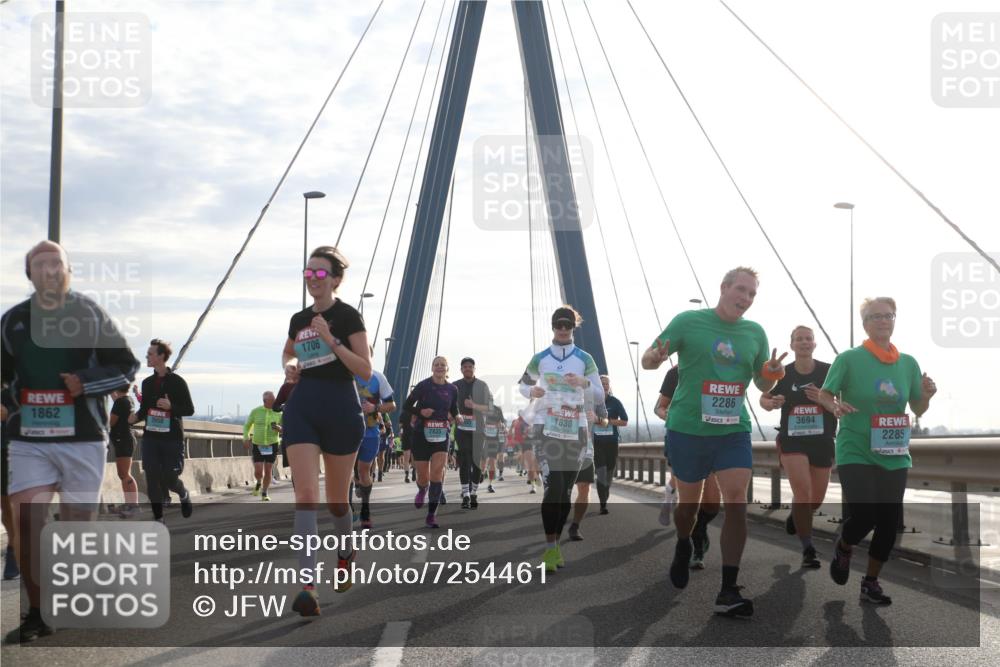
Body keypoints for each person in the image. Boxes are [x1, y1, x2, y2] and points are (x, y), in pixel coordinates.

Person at [2, 240, 140, 643]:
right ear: (29, 274)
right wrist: (9, 402)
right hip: (29, 439)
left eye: (57, 263)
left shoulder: (89, 314)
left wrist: (86, 383)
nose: (49, 270)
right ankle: (38, 612)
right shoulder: (12, 322)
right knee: (28, 523)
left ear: (68, 272)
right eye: (40, 264)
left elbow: (126, 366)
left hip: (83, 438)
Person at [642, 267, 784, 618]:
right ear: (723, 288)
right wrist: (654, 358)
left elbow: (762, 384)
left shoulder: (755, 332)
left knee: (736, 500)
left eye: (752, 294)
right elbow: (648, 360)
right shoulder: (688, 322)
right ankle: (683, 542)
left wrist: (771, 374)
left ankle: (728, 590)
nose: (746, 298)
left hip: (733, 430)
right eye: (741, 290)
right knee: (688, 509)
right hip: (688, 429)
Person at [815, 297, 936, 605]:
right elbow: (825, 394)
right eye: (876, 316)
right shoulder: (849, 359)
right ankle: (844, 545)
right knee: (865, 514)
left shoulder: (908, 363)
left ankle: (870, 582)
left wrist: (927, 396)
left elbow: (917, 407)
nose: (883, 320)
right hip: (856, 448)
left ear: (894, 320)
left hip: (893, 451)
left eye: (889, 316)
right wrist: (834, 405)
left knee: (888, 521)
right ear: (865, 323)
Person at [281, 245, 371, 616]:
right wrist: (289, 366)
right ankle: (308, 586)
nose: (312, 278)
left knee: (336, 502)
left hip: (341, 409)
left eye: (319, 273)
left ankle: (345, 552)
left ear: (335, 279)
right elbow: (288, 352)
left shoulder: (348, 316)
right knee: (305, 494)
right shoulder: (299, 318)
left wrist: (331, 340)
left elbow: (364, 369)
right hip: (303, 407)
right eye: (308, 272)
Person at [519, 305, 604, 573]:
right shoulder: (541, 358)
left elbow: (599, 395)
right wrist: (531, 391)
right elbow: (523, 384)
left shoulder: (585, 359)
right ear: (553, 326)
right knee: (553, 487)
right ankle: (549, 548)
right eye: (559, 324)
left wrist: (583, 382)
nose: (563, 329)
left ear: (573, 327)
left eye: (568, 325)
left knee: (566, 491)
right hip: (546, 426)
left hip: (576, 429)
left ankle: (555, 544)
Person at [760, 325, 837, 569]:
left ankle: (796, 514)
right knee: (803, 493)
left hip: (822, 441)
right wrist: (772, 403)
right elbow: (763, 397)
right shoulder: (784, 373)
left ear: (814, 344)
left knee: (815, 501)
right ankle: (808, 549)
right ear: (792, 345)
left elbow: (842, 400)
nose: (804, 342)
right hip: (792, 440)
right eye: (799, 339)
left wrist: (824, 398)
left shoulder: (829, 371)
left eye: (808, 339)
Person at [654, 365, 722, 569]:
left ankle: (699, 527)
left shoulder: (722, 368)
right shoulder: (676, 372)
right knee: (691, 500)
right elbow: (659, 407)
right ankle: (695, 544)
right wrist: (670, 416)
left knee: (712, 504)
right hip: (682, 439)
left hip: (713, 440)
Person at [131, 339, 196, 523]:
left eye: (150, 354)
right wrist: (131, 419)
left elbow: (189, 409)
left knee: (169, 478)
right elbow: (144, 410)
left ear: (161, 356)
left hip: (172, 438)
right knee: (152, 477)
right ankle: (158, 519)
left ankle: (183, 494)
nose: (147, 357)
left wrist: (171, 406)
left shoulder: (178, 382)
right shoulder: (147, 383)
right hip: (151, 437)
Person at [402, 357, 458, 528]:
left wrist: (458, 416)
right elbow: (407, 405)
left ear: (447, 369)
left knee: (437, 473)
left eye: (443, 365)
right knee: (423, 477)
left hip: (442, 434)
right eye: (436, 365)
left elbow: (453, 408)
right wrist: (421, 411)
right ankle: (422, 489)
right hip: (421, 434)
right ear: (432, 368)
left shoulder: (452, 389)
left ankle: (431, 515)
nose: (439, 367)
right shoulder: (423, 386)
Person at [354, 355, 396, 529]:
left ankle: (365, 509)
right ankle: (348, 509)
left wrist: (375, 408)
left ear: (370, 356)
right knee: (347, 471)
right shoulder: (344, 375)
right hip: (346, 431)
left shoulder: (378, 377)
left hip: (370, 432)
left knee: (364, 470)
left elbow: (392, 405)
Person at [567, 388, 609, 541]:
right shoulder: (558, 387)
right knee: (561, 490)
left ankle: (575, 525)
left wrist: (597, 419)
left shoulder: (595, 393)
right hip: (559, 446)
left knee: (584, 486)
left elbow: (605, 421)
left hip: (585, 446)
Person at [452, 358, 493, 509]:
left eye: (470, 366)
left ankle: (474, 492)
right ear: (461, 369)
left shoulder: (482, 385)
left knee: (476, 463)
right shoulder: (455, 386)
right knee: (465, 461)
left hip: (478, 429)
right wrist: (452, 415)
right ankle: (466, 495)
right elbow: (449, 405)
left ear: (474, 369)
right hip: (462, 429)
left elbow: (489, 408)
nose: (468, 369)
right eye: (465, 367)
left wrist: (474, 405)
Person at [591, 375, 628, 515]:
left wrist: (606, 421)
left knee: (609, 475)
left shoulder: (615, 402)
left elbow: (625, 421)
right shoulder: (591, 402)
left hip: (612, 443)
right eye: (602, 384)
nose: (604, 386)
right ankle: (603, 504)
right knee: (601, 473)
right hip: (597, 443)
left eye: (606, 384)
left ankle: (605, 492)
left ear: (609, 386)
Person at [243, 391, 283, 501]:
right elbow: (246, 426)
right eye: (272, 400)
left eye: (275, 399)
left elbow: (286, 428)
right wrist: (246, 438)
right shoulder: (256, 411)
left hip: (272, 444)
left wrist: (279, 428)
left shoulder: (279, 413)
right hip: (258, 444)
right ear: (265, 401)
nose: (275, 402)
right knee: (258, 471)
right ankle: (259, 482)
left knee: (268, 470)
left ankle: (265, 493)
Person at [108, 386, 139, 517]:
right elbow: (116, 399)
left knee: (125, 474)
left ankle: (134, 505)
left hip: (123, 440)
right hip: (125, 439)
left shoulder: (120, 402)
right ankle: (129, 504)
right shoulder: (128, 400)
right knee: (123, 474)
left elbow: (111, 422)